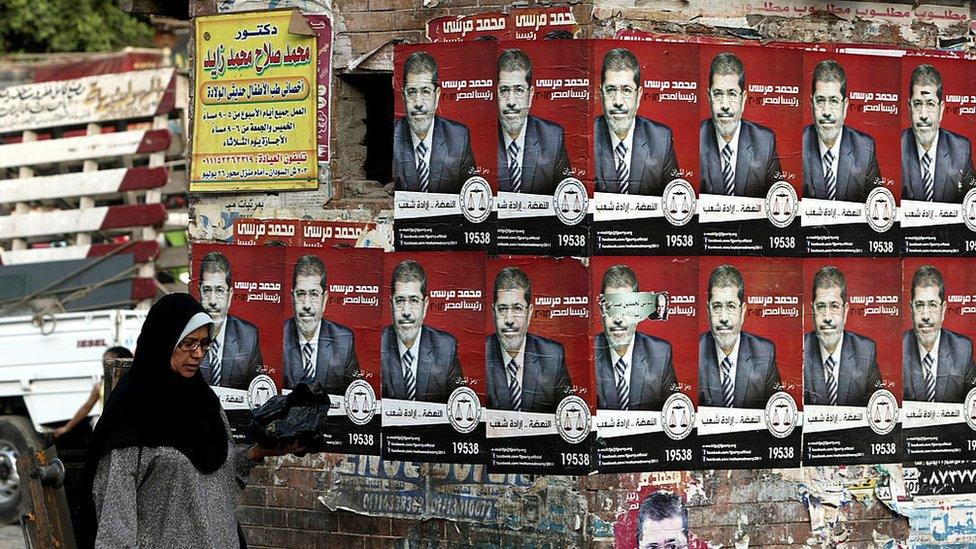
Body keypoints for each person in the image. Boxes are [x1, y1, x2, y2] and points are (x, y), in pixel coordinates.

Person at [87, 293, 296, 548]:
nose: (198, 353)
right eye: (188, 343)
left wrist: (255, 453)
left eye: (204, 344)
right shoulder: (132, 414)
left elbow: (221, 479)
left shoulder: (205, 404)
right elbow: (115, 520)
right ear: (163, 342)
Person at [595, 47, 679, 196]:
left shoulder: (661, 139)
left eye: (626, 90)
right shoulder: (586, 137)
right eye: (610, 90)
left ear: (638, 96)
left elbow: (674, 202)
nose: (618, 102)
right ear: (601, 93)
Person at [486, 267, 572, 412]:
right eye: (502, 309)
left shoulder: (553, 357)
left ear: (529, 312)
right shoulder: (480, 354)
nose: (509, 320)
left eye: (517, 308)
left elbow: (568, 417)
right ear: (493, 312)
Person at [700, 52, 782, 198]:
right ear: (709, 97)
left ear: (743, 99)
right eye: (718, 94)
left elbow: (777, 204)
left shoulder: (765, 142)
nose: (725, 106)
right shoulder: (695, 139)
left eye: (732, 94)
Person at [595, 265, 677, 411]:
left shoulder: (661, 354)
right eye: (612, 308)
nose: (618, 319)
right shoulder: (586, 353)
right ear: (602, 310)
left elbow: (674, 414)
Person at [699, 265, 781, 408]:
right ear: (708, 311)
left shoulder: (765, 353)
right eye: (717, 306)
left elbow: (777, 414)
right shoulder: (695, 352)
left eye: (731, 306)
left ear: (742, 312)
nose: (723, 318)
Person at [393, 51, 476, 194]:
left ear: (436, 96)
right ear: (403, 96)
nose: (418, 103)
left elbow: (471, 195)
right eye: (412, 92)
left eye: (425, 91)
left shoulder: (459, 138)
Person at [381, 260, 463, 403]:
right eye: (400, 301)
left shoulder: (446, 348)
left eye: (414, 300)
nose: (406, 312)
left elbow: (460, 407)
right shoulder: (377, 344)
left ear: (425, 306)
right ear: (391, 305)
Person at [802, 59, 882, 202]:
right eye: (820, 100)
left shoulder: (865, 148)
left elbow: (877, 208)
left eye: (833, 101)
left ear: (845, 106)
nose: (826, 112)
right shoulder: (798, 144)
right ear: (811, 104)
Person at [803, 266, 882, 407]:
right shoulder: (801, 350)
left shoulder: (866, 351)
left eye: (834, 306)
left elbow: (878, 410)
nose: (827, 317)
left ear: (845, 312)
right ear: (812, 311)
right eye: (821, 307)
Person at [496, 48, 571, 195]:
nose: (511, 102)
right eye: (504, 90)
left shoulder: (553, 138)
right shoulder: (481, 138)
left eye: (519, 90)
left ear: (530, 96)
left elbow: (566, 200)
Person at [282, 254, 360, 392]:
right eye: (300, 294)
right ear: (292, 298)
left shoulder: (344, 341)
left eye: (314, 294)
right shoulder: (277, 336)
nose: (307, 305)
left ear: (324, 300)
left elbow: (354, 397)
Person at [901, 64, 976, 203]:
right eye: (917, 104)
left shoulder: (961, 150)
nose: (923, 115)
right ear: (909, 107)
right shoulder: (897, 148)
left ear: (941, 109)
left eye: (930, 104)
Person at [903, 265, 976, 403]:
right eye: (919, 305)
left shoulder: (963, 350)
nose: (925, 316)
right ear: (911, 309)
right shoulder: (899, 348)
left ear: (943, 310)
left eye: (932, 305)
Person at [197, 251, 263, 390]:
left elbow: (254, 390)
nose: (213, 301)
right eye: (207, 290)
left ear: (230, 295)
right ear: (199, 292)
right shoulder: (186, 334)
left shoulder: (248, 336)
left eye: (220, 290)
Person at [54, 347, 132, 439]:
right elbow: (86, 408)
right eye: (104, 361)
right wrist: (67, 427)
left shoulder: (134, 383)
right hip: (108, 428)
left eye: (110, 362)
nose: (106, 364)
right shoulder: (100, 386)